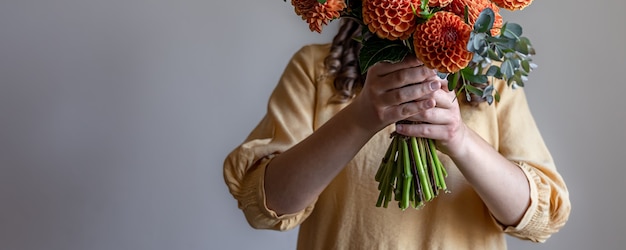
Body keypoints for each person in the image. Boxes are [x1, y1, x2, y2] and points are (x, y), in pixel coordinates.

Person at [223, 19, 570, 249]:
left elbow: (540, 216)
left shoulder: (487, 78)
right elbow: (267, 205)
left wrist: (459, 138)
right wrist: (360, 118)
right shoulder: (316, 69)